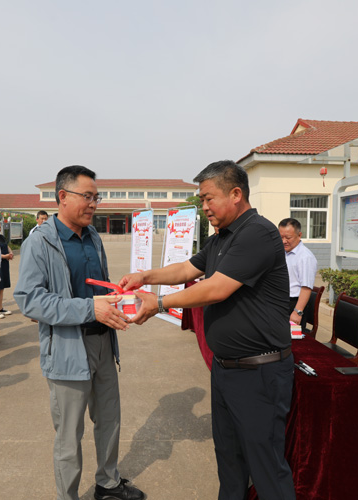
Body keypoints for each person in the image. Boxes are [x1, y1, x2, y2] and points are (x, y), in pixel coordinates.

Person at [119, 160, 295, 499]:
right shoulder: (222, 238)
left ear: (236, 194)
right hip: (227, 369)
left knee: (266, 468)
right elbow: (187, 268)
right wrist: (145, 276)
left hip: (260, 372)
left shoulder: (257, 233)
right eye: (201, 200)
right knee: (229, 460)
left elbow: (216, 289)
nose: (204, 207)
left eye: (208, 198)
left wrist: (159, 303)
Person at [15, 166, 145, 500]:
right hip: (67, 348)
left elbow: (95, 288)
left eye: (96, 197)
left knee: (109, 419)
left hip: (103, 343)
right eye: (87, 196)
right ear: (62, 196)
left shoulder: (93, 237)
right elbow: (29, 300)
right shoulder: (40, 242)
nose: (93, 204)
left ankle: (108, 483)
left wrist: (118, 296)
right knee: (69, 432)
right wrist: (90, 309)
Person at [278, 218, 318, 331]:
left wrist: (297, 312)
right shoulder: (284, 252)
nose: (284, 241)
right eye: (281, 237)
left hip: (294, 305)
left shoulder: (305, 257)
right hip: (281, 303)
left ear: (299, 235)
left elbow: (306, 288)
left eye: (288, 238)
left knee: (292, 339)